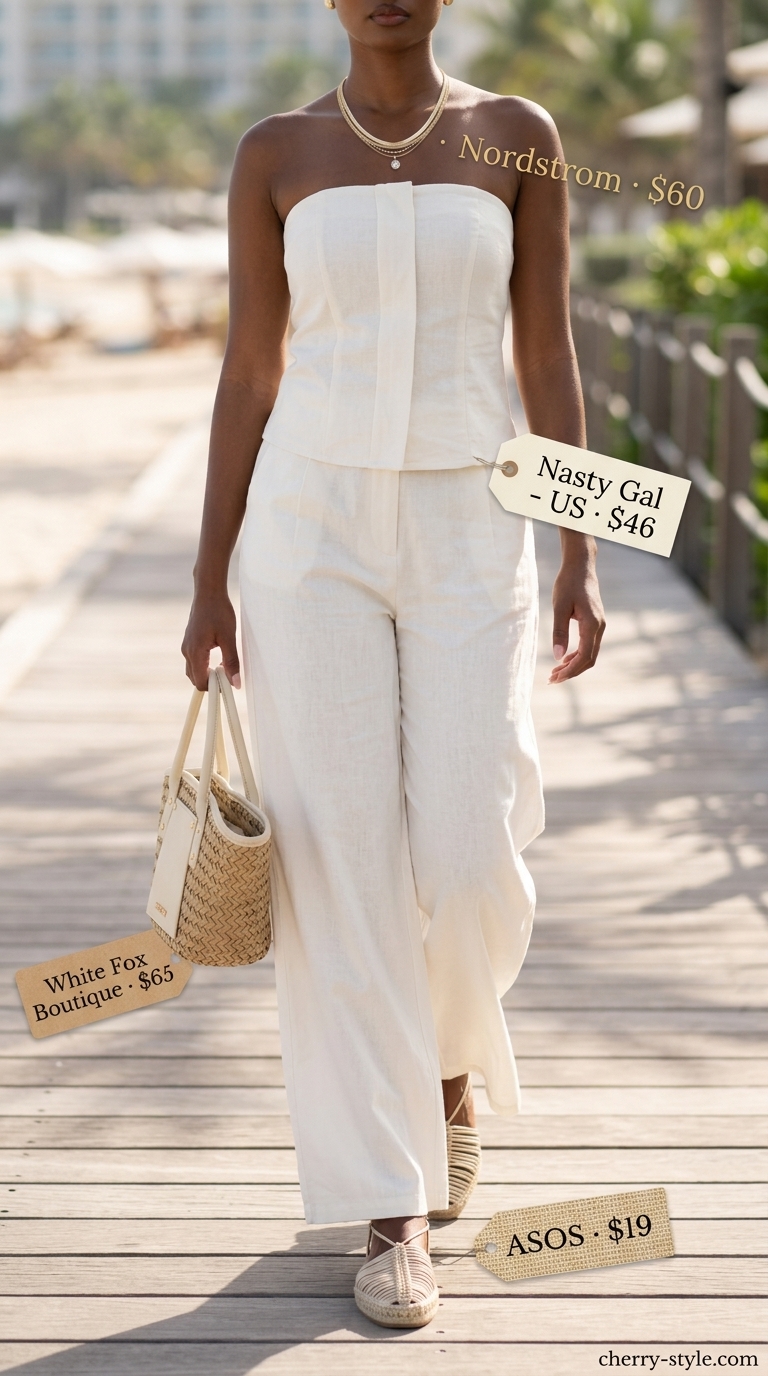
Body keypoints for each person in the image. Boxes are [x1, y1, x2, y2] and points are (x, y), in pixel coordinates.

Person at [182, 0, 605, 1330]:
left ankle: (449, 1068)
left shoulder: (516, 137)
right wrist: (208, 577)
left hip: (473, 528)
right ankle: (392, 1208)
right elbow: (252, 366)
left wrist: (583, 553)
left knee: (472, 846)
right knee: (345, 859)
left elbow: (546, 353)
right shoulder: (275, 152)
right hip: (307, 536)